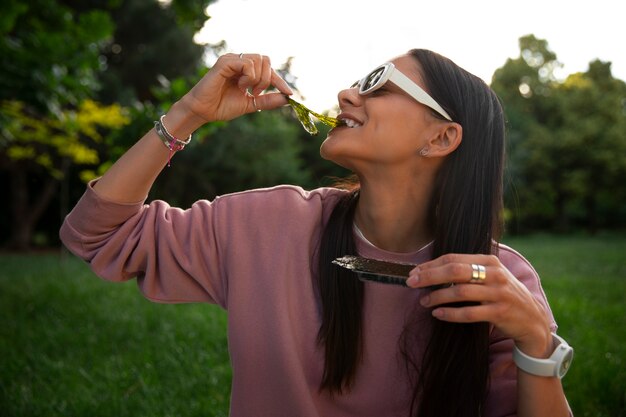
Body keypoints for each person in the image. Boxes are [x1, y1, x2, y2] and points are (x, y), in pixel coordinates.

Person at [60, 50, 573, 417]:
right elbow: (97, 237)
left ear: (441, 137)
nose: (347, 93)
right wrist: (188, 115)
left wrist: (535, 341)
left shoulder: (501, 283)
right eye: (357, 81)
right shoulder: (267, 226)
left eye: (379, 83)